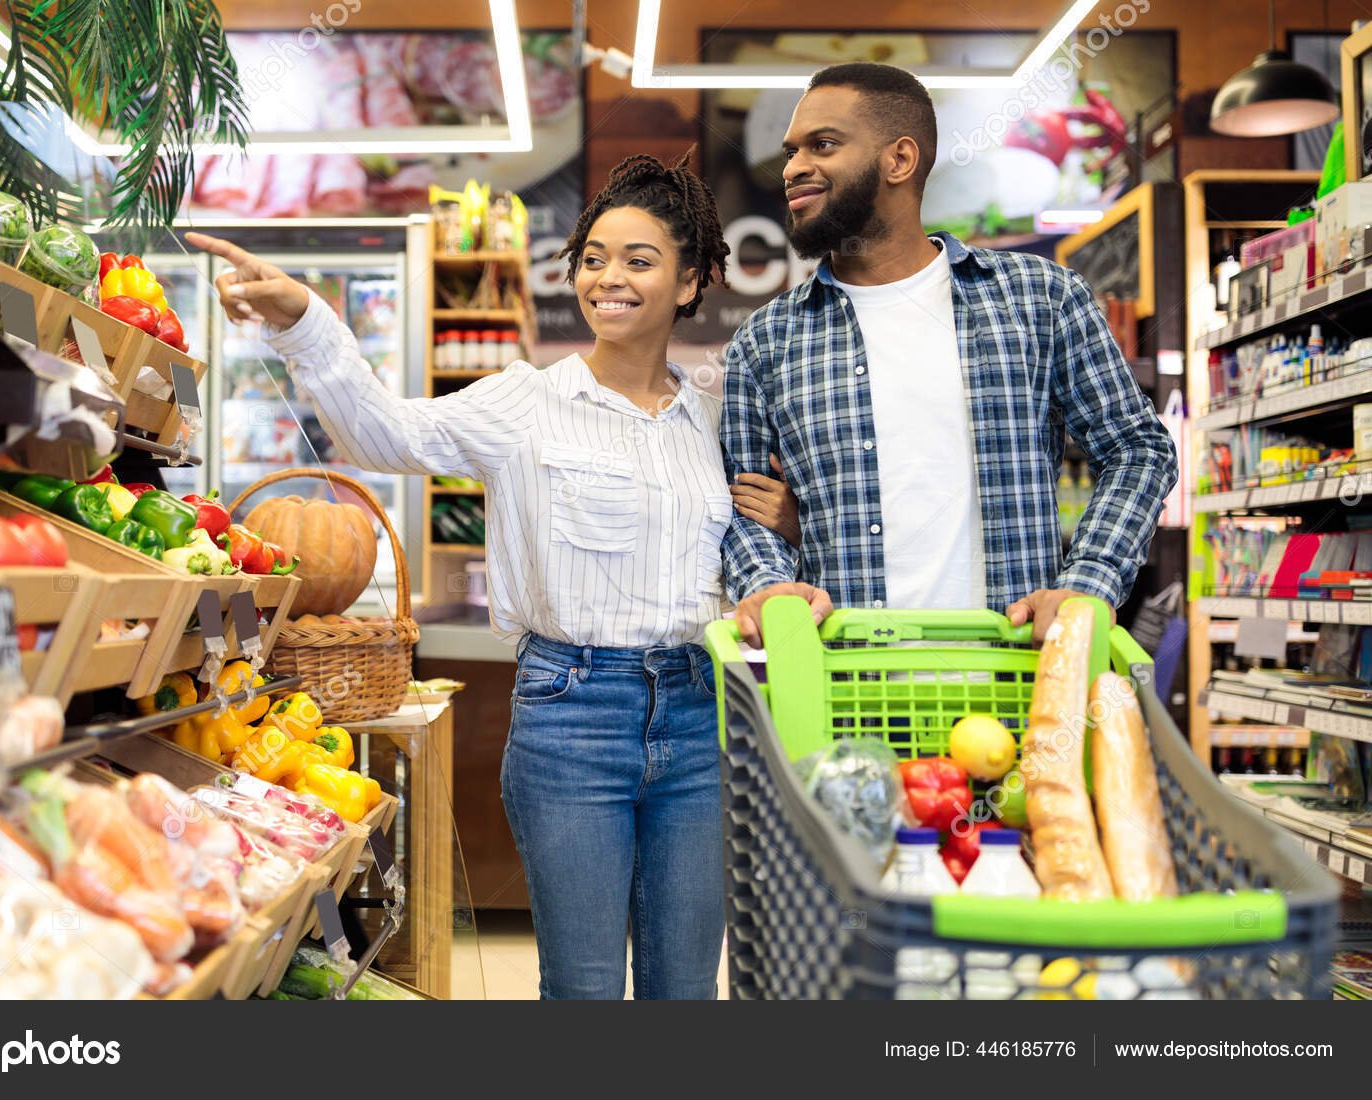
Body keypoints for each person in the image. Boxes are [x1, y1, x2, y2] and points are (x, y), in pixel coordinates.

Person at [189, 153, 793, 1000]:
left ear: (691, 282)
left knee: (686, 989)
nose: (608, 278)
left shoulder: (708, 418)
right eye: (593, 259)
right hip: (572, 714)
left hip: (698, 714)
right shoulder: (526, 402)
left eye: (638, 260)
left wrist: (782, 529)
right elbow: (383, 434)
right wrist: (305, 322)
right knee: (582, 990)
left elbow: (743, 547)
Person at [721, 63, 1178, 647]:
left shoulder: (1040, 298)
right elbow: (738, 509)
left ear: (900, 159)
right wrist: (768, 584)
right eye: (791, 152)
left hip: (1012, 680)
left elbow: (1138, 449)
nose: (793, 169)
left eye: (823, 145)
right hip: (846, 691)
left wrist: (1088, 584)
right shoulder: (765, 343)